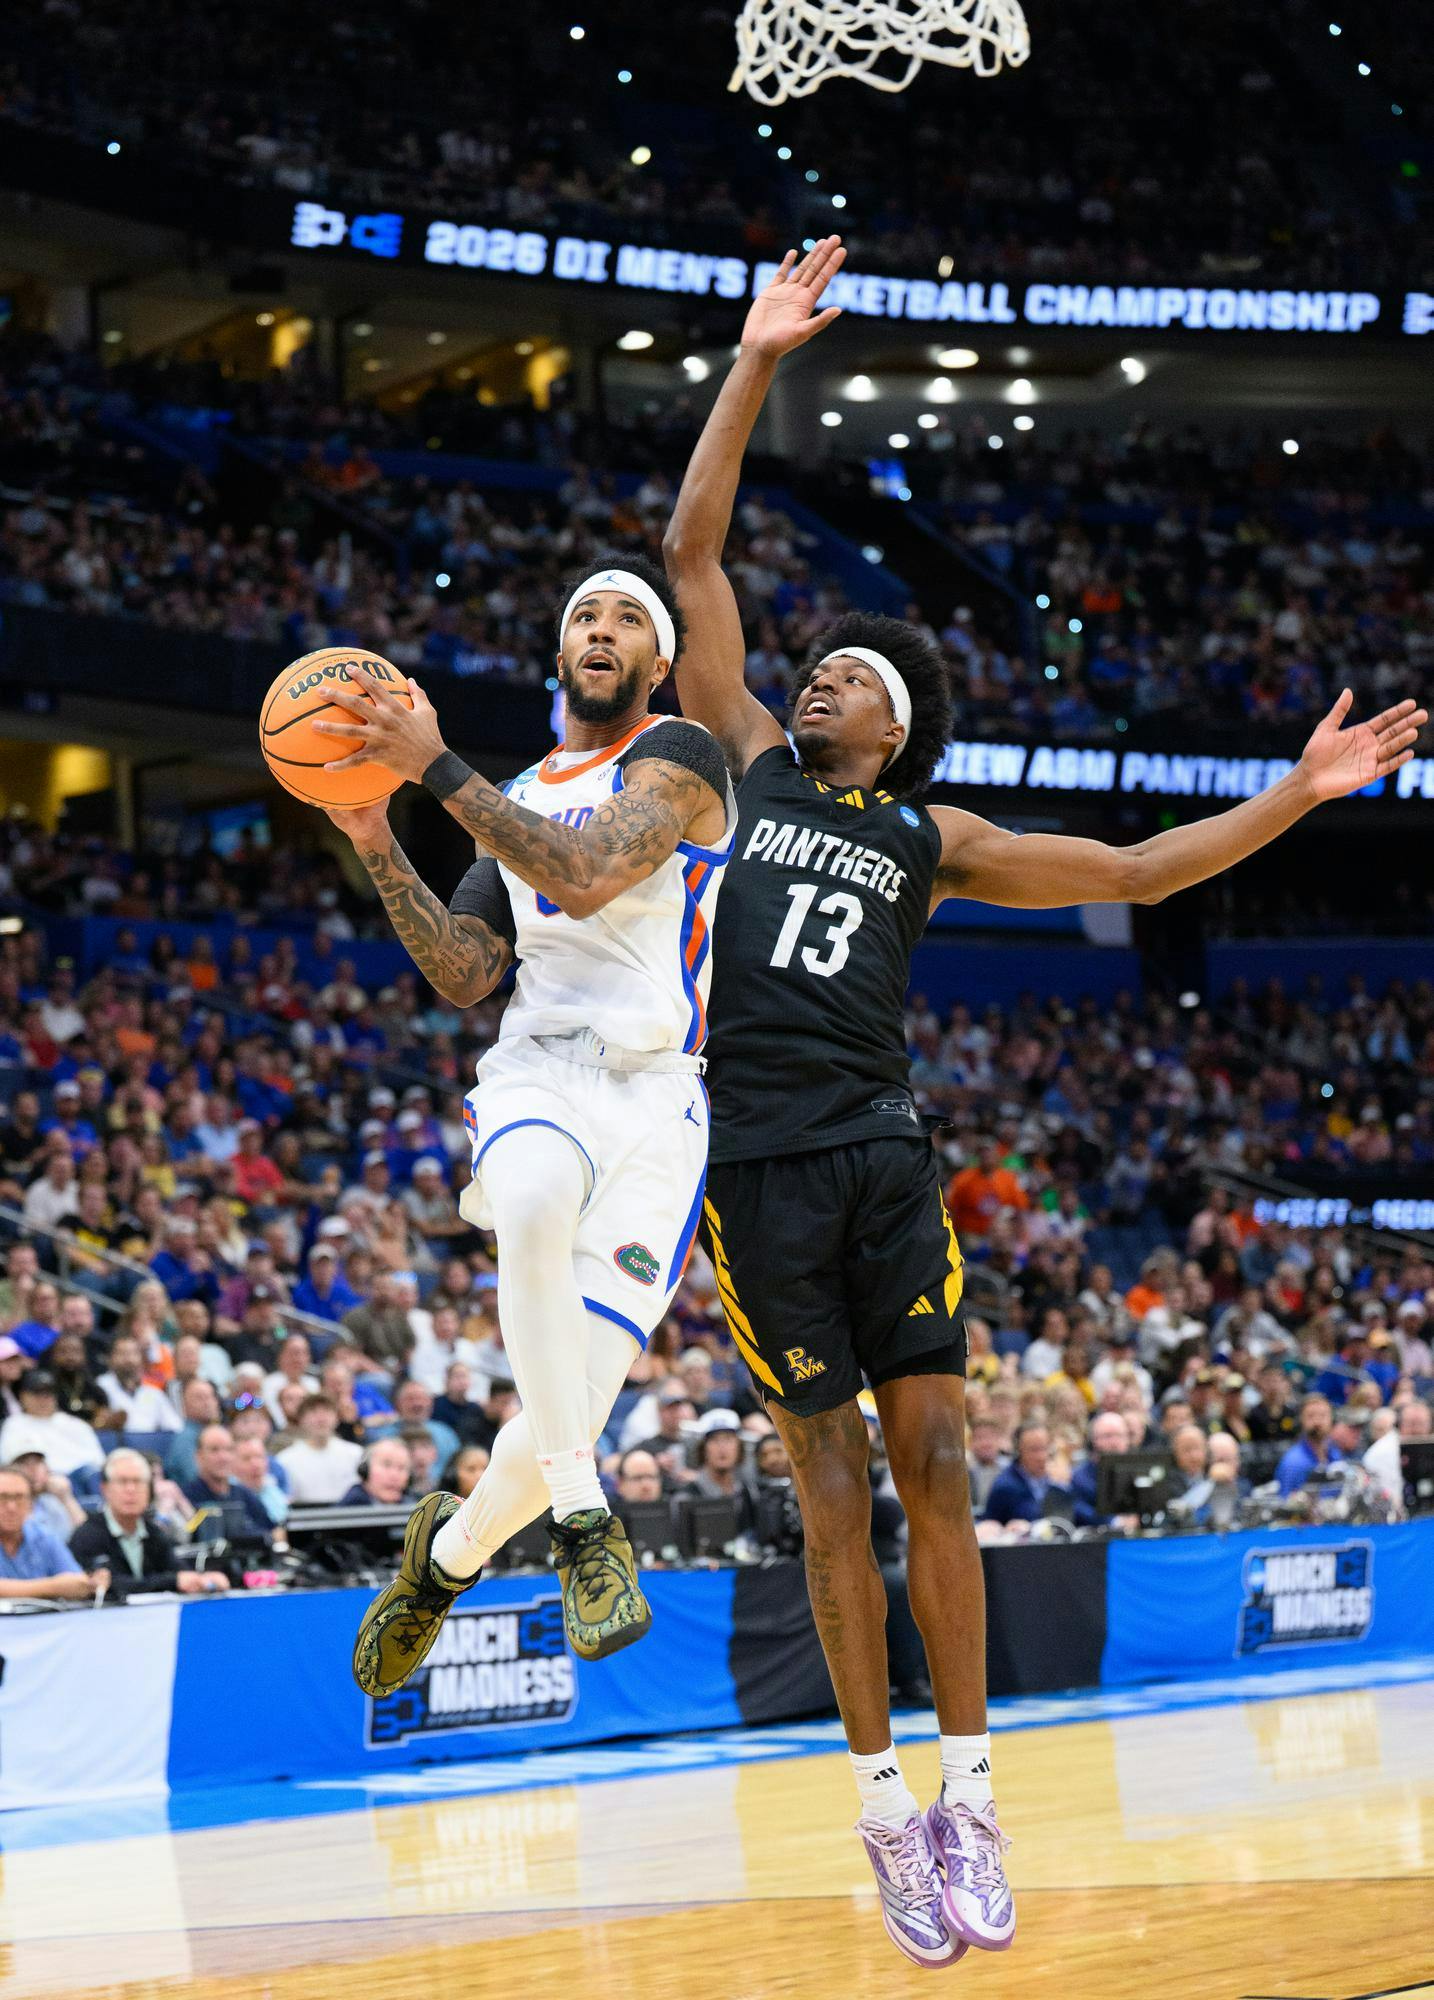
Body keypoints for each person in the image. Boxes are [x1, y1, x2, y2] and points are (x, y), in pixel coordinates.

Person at [660, 234, 1425, 1968]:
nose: (817, 677)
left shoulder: (934, 838)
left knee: (935, 1457)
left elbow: (1146, 868)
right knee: (827, 1486)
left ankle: (968, 1794)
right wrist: (757, 352)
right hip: (753, 1164)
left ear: (900, 726)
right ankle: (877, 1817)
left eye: (850, 675)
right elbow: (690, 553)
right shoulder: (747, 769)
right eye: (817, 668)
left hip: (875, 1151)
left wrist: (1295, 791)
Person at [319, 536, 736, 1686]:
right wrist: (377, 839)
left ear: (659, 658)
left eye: (626, 618)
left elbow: (589, 873)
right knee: (535, 1199)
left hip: (660, 1103)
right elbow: (465, 973)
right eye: (585, 615)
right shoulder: (511, 802)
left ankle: (440, 1563)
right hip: (540, 1071)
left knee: (559, 1420)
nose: (602, 628)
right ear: (560, 649)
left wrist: (439, 767)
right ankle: (589, 1529)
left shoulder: (683, 756)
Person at [70, 1448, 230, 1598]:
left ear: (149, 1490)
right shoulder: (87, 1535)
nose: (131, 1489)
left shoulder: (152, 1532)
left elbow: (178, 1571)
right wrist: (173, 1581)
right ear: (104, 1489)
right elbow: (108, 1585)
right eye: (122, 1482)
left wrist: (202, 1579)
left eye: (138, 1482)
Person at [0, 1460, 105, 1600]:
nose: (11, 1507)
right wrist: (54, 1586)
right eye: (3, 1497)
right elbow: (63, 1584)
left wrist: (93, 1582)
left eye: (19, 1497)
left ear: (31, 1503)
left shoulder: (44, 1537)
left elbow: (76, 1583)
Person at [0, 1368, 105, 1476]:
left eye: (48, 1393)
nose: (43, 1399)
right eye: (37, 1393)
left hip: (86, 1478)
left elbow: (99, 1460)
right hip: (47, 1482)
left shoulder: (76, 1424)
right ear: (23, 1396)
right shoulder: (14, 1424)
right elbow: (10, 1463)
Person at [181, 1424, 276, 1541]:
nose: (223, 1457)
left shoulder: (244, 1494)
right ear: (199, 1456)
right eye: (214, 1450)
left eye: (229, 1449)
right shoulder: (187, 1496)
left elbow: (271, 1531)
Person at [272, 1393, 364, 1504]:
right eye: (313, 1412)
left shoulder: (356, 1454)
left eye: (327, 1411)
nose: (321, 1418)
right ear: (301, 1419)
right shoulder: (285, 1459)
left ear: (337, 1418)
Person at [983, 1423, 1070, 1526]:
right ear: (1019, 1451)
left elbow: (1081, 1518)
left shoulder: (1058, 1480)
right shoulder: (1004, 1486)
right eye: (1034, 1450)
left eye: (1044, 1448)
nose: (1041, 1456)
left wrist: (1065, 1489)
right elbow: (988, 1526)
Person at [1069, 1411, 1130, 1527]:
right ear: (1094, 1440)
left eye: (1120, 1435)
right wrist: (1115, 1522)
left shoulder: (1138, 1472)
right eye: (1108, 1436)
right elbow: (1079, 1509)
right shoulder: (1080, 1477)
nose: (1114, 1442)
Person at [1276, 1395, 1345, 1496]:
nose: (1317, 1422)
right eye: (1310, 1416)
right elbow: (1286, 1504)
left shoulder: (1335, 1454)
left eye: (1323, 1415)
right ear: (1301, 1420)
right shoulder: (1293, 1462)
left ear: (1332, 1419)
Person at [343, 1436, 413, 1506]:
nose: (394, 1475)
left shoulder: (414, 1507)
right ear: (365, 1470)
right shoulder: (346, 1509)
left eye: (401, 1468)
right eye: (386, 1465)